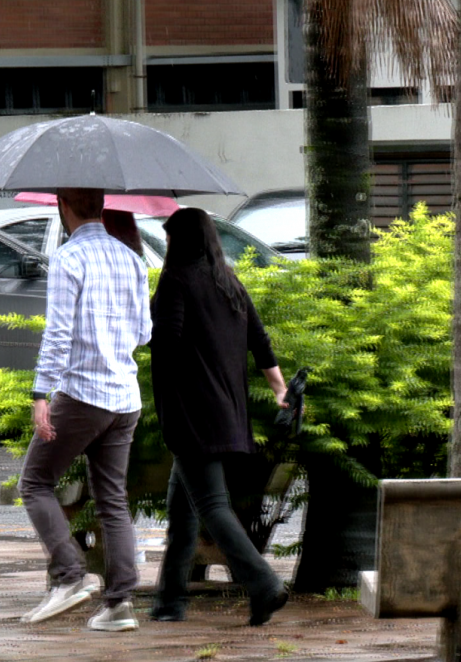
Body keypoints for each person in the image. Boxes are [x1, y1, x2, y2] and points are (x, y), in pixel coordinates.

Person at [19, 188, 152, 632]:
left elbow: (57, 334)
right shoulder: (132, 258)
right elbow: (144, 332)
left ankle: (69, 576)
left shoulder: (68, 258)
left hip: (81, 394)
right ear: (101, 206)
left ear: (63, 208)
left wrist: (41, 393)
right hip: (125, 396)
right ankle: (119, 604)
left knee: (36, 482)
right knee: (112, 500)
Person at [148, 208, 289, 625]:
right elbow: (259, 341)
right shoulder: (228, 282)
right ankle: (170, 602)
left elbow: (167, 345)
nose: (167, 246)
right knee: (183, 510)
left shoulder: (175, 281)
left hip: (193, 414)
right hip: (227, 411)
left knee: (212, 505)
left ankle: (264, 584)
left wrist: (144, 321)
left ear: (180, 241)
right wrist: (280, 388)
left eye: (169, 239)